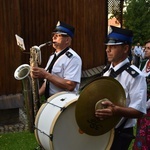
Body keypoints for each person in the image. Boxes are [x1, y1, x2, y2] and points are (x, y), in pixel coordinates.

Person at [95, 26, 147, 150]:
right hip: (103, 129)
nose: (107, 50)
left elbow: (139, 110)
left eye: (113, 46)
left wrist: (116, 110)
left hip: (120, 132)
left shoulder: (135, 76)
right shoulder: (106, 71)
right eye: (107, 46)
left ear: (125, 48)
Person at [31, 21, 82, 99]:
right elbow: (48, 82)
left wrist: (46, 75)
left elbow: (70, 85)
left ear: (67, 40)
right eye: (53, 35)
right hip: (51, 101)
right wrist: (35, 97)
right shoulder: (53, 56)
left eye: (58, 35)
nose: (53, 37)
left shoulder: (73, 58)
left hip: (65, 103)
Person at [133, 39, 150, 150]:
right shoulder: (145, 63)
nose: (145, 50)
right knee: (142, 130)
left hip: (149, 104)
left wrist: (147, 104)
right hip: (144, 101)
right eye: (145, 48)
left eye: (149, 48)